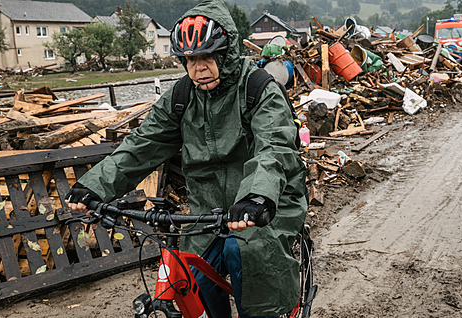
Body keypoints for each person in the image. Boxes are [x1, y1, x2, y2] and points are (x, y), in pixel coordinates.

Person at [65, 0, 308, 317]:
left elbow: (273, 146)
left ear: (227, 53)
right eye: (190, 59)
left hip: (268, 200)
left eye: (207, 57)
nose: (198, 67)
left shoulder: (258, 88)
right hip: (207, 210)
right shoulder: (181, 96)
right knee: (189, 278)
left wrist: (256, 195)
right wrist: (95, 186)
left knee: (248, 254)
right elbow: (144, 142)